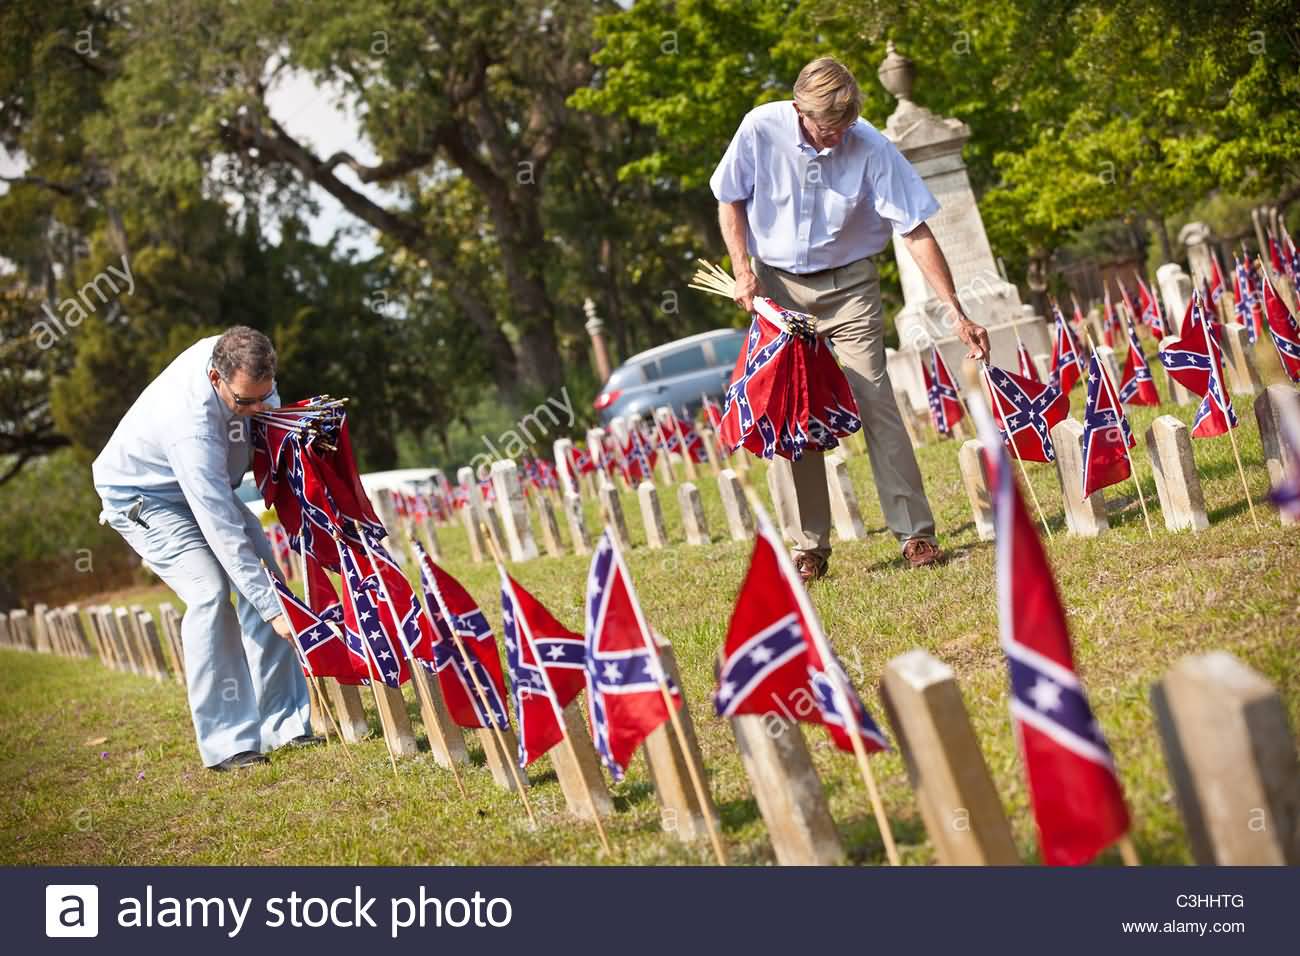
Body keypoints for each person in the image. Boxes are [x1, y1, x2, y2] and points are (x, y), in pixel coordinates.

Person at [710, 56, 991, 581]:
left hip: (850, 286)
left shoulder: (872, 145)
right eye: (824, 128)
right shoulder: (760, 127)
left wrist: (956, 308)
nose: (835, 139)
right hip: (779, 287)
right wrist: (742, 271)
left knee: (877, 398)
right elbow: (729, 198)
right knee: (793, 410)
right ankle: (808, 546)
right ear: (798, 110)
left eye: (843, 128)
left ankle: (916, 535)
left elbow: (915, 229)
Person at [93, 326, 318, 770]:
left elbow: (266, 442)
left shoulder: (247, 367)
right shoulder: (190, 427)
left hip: (204, 483)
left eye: (265, 397)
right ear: (217, 380)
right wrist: (275, 614)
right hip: (144, 497)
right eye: (245, 403)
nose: (258, 410)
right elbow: (221, 531)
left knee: (267, 580)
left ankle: (286, 725)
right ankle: (228, 743)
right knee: (211, 591)